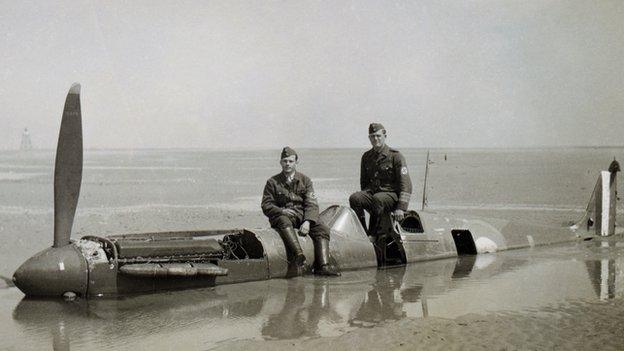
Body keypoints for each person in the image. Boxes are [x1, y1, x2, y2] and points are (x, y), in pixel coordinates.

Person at [261, 147, 340, 276]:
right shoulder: (272, 182)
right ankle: (298, 254)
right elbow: (266, 205)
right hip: (283, 217)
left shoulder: (305, 180)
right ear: (280, 162)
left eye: (291, 161)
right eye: (285, 161)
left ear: (296, 162)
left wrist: (308, 221)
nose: (287, 164)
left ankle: (323, 266)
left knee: (322, 228)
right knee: (283, 220)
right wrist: (282, 211)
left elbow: (311, 204)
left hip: (301, 216)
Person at [349, 123, 412, 236]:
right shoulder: (366, 157)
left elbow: (406, 184)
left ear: (385, 136)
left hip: (391, 196)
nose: (375, 139)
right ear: (369, 138)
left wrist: (401, 208)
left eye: (378, 136)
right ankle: (362, 233)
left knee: (378, 199)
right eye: (372, 136)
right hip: (375, 196)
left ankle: (373, 235)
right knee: (355, 198)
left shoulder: (396, 156)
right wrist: (366, 199)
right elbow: (364, 183)